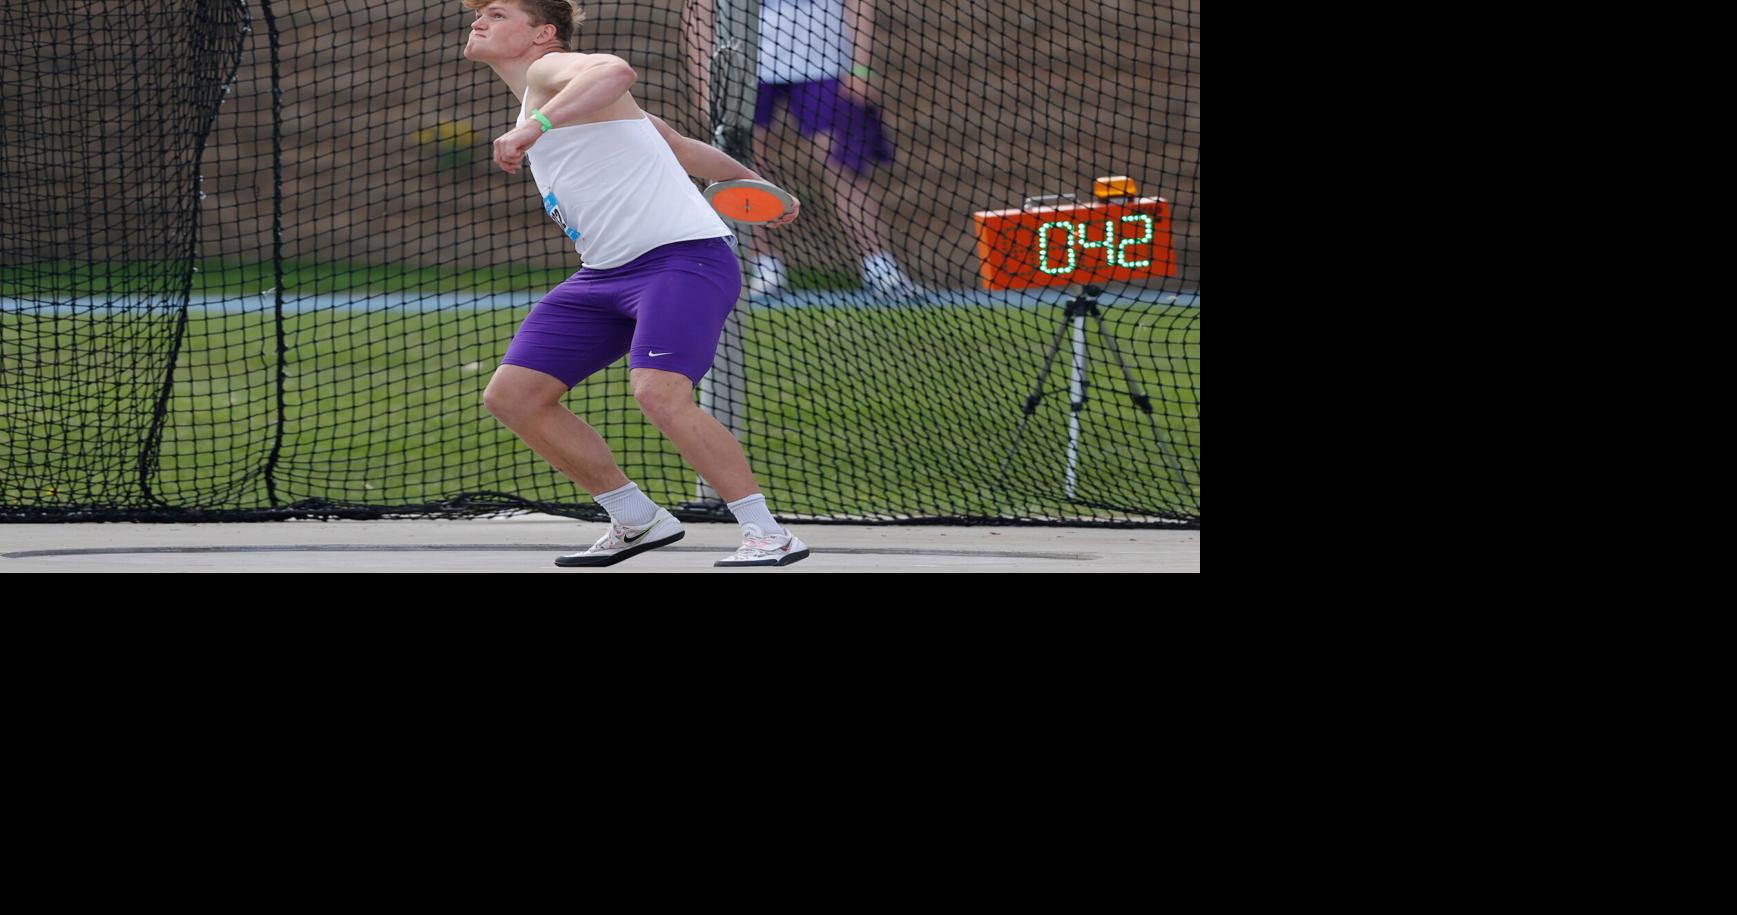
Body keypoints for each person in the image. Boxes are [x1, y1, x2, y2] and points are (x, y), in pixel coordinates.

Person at [464, 0, 809, 567]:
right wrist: (758, 185)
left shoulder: (552, 72)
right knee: (513, 397)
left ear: (543, 34)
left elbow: (617, 69)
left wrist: (533, 126)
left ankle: (768, 533)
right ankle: (635, 518)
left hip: (682, 258)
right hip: (603, 273)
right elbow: (675, 144)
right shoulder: (559, 98)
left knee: (657, 390)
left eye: (499, 14)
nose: (479, 21)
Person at [686, 0, 917, 296]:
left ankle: (880, 266)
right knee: (744, 165)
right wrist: (706, 84)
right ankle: (764, 268)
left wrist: (860, 68)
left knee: (843, 163)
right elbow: (698, 15)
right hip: (747, 70)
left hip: (826, 65)